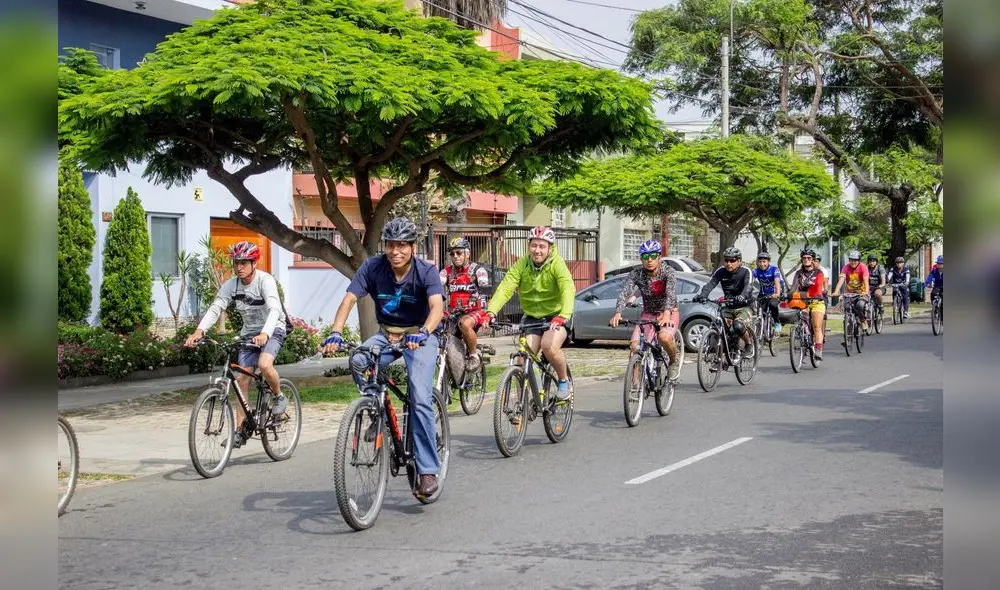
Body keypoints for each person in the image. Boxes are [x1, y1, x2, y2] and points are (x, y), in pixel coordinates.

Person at [320, 217, 445, 498]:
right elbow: (350, 298)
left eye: (402, 245)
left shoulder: (426, 271)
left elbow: (437, 307)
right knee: (359, 359)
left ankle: (427, 469)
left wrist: (423, 331)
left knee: (420, 395)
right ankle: (375, 408)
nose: (395, 251)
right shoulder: (373, 268)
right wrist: (335, 332)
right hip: (387, 334)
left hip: (420, 336)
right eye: (391, 245)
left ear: (413, 247)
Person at [184, 241, 288, 448]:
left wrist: (266, 333)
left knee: (265, 365)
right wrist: (199, 330)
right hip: (248, 334)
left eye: (243, 262)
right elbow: (216, 308)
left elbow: (275, 309)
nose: (239, 267)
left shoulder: (264, 281)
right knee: (241, 380)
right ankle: (241, 430)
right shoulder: (231, 285)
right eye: (236, 263)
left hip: (273, 328)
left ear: (253, 263)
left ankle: (279, 396)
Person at [482, 226, 576, 400]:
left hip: (556, 317)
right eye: (534, 245)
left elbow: (567, 288)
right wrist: (491, 311)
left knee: (549, 346)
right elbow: (506, 286)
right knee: (522, 359)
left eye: (542, 246)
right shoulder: (523, 263)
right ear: (529, 246)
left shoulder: (557, 263)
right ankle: (522, 403)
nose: (537, 250)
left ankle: (564, 380)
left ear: (550, 248)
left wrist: (564, 314)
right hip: (532, 318)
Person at [608, 240, 682, 381]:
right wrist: (618, 313)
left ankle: (673, 361)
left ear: (659, 257)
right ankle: (635, 389)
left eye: (653, 256)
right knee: (635, 347)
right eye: (645, 256)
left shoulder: (668, 271)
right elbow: (625, 292)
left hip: (669, 312)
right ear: (641, 258)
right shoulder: (636, 274)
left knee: (664, 338)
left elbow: (670, 293)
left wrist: (666, 314)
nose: (649, 260)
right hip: (648, 313)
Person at [438, 237, 491, 371]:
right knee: (438, 325)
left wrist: (486, 315)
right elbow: (437, 288)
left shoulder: (478, 271)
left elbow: (486, 295)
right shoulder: (446, 272)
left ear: (468, 254)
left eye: (459, 253)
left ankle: (474, 356)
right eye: (452, 254)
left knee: (464, 323)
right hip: (455, 312)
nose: (455, 256)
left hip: (476, 311)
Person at [693, 247, 755, 359]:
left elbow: (748, 286)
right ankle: (720, 356)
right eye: (726, 260)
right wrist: (703, 296)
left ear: (739, 261)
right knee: (721, 328)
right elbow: (710, 284)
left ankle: (748, 345)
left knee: (738, 325)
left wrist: (742, 296)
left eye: (732, 260)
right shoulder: (721, 271)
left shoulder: (746, 271)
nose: (728, 263)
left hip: (744, 306)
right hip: (728, 306)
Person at [788, 248, 827, 359]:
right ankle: (803, 339)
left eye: (809, 258)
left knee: (817, 327)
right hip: (803, 302)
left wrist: (801, 294)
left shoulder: (818, 273)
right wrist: (787, 294)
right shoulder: (798, 273)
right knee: (801, 319)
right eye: (804, 258)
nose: (806, 260)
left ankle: (818, 350)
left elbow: (816, 290)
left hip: (817, 302)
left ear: (813, 259)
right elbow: (794, 287)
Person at [834, 249, 871, 332]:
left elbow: (866, 280)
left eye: (855, 260)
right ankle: (847, 334)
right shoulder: (846, 267)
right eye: (851, 260)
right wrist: (836, 291)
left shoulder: (863, 267)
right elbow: (841, 280)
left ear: (859, 261)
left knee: (860, 306)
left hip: (861, 293)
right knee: (847, 308)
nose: (853, 262)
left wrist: (866, 291)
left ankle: (862, 320)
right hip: (849, 293)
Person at [752, 251, 784, 336]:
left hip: (774, 293)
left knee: (773, 305)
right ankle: (763, 330)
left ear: (768, 262)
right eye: (760, 262)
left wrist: (777, 293)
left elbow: (777, 282)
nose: (762, 264)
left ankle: (777, 322)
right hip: (762, 294)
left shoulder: (774, 269)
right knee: (761, 312)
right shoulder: (756, 271)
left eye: (764, 262)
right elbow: (749, 282)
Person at [867, 254, 887, 319]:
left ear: (876, 262)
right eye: (870, 261)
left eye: (873, 261)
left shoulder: (880, 268)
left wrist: (881, 285)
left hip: (880, 287)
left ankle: (881, 306)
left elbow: (883, 281)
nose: (872, 263)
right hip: (870, 287)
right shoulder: (867, 268)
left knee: (877, 294)